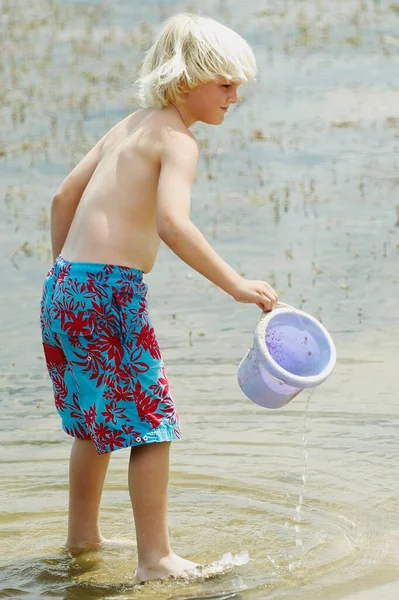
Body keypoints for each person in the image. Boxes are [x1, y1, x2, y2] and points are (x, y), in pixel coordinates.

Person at [40, 12, 278, 583]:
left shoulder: (129, 125)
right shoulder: (178, 139)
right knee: (152, 421)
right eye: (225, 84)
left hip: (66, 285)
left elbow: (60, 198)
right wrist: (236, 284)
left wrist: (67, 279)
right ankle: (156, 559)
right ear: (185, 80)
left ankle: (82, 539)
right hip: (109, 291)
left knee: (94, 422)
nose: (235, 96)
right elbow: (173, 224)